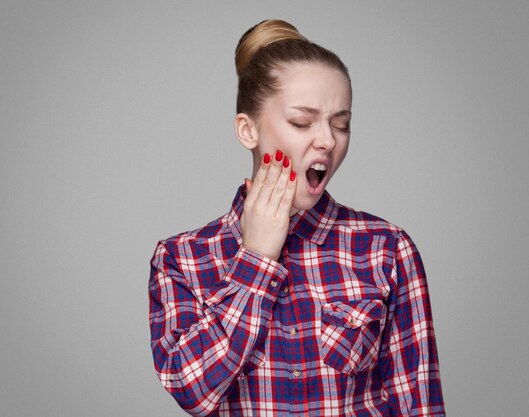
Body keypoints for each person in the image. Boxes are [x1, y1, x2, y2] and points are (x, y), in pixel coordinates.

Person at [148, 19, 445, 416]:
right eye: (302, 122)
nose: (327, 140)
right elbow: (192, 391)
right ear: (247, 129)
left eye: (341, 124)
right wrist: (256, 261)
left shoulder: (385, 248)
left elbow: (418, 404)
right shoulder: (181, 258)